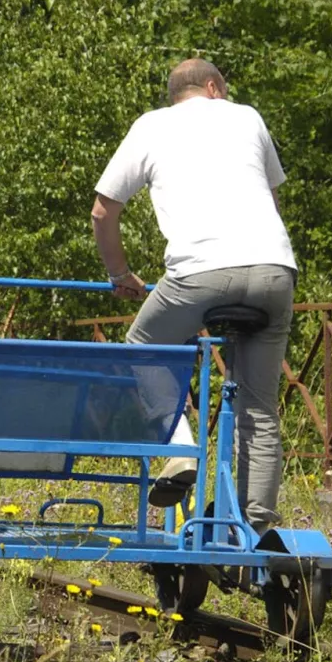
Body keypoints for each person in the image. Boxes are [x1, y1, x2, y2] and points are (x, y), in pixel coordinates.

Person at [91, 58, 297, 534]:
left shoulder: (151, 126)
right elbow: (272, 201)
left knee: (143, 349)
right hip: (275, 270)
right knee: (259, 405)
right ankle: (257, 528)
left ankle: (181, 451)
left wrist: (121, 273)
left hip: (200, 274)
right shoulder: (248, 116)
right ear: (213, 87)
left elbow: (103, 212)